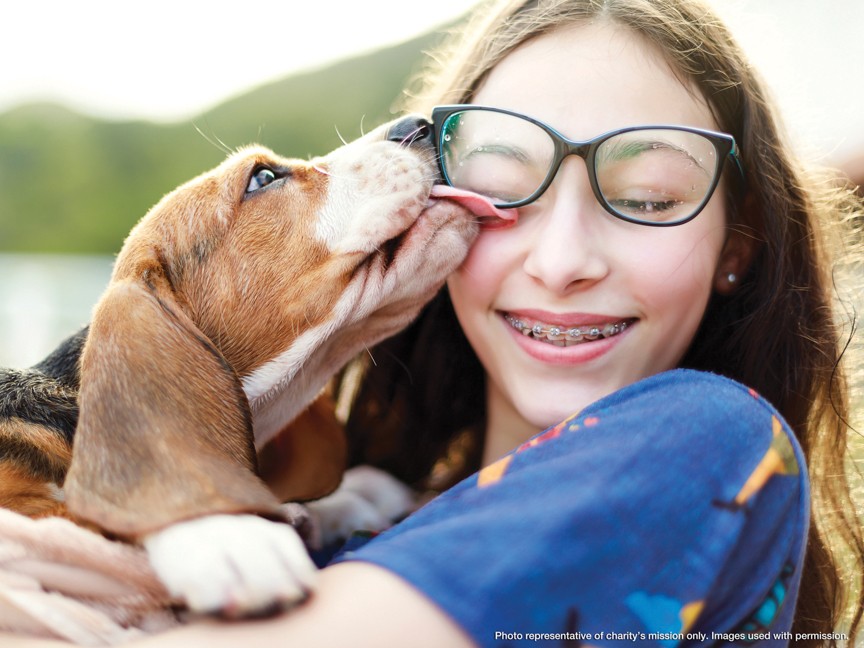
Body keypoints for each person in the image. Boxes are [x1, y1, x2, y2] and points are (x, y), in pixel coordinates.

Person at [5, 0, 862, 646]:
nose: (563, 261)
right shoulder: (343, 506)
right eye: (505, 180)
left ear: (736, 244)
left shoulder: (711, 440)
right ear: (447, 211)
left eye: (646, 198)